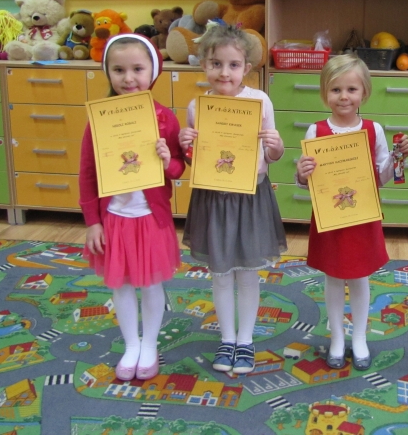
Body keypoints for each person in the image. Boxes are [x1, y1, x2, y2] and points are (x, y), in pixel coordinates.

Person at [179, 22, 287, 375]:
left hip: (250, 198)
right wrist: (186, 145)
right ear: (203, 65)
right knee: (221, 273)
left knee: (248, 274)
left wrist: (276, 146)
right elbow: (197, 161)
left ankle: (246, 340)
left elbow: (272, 156)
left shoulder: (261, 101)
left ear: (247, 68)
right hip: (214, 200)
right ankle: (227, 339)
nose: (224, 72)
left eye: (233, 65)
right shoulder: (198, 107)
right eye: (216, 64)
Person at [296, 54, 408, 371]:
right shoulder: (316, 130)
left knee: (360, 277)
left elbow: (382, 176)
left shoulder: (374, 130)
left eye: (351, 89)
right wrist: (302, 174)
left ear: (364, 92)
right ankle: (337, 338)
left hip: (362, 217)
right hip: (330, 219)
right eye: (335, 90)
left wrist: (398, 158)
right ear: (325, 92)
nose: (343, 97)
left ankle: (359, 338)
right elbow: (310, 182)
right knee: (334, 277)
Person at [80, 34, 186, 382]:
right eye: (119, 70)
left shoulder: (165, 118)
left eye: (138, 69)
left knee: (152, 284)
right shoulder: (99, 119)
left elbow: (178, 169)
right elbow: (87, 173)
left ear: (152, 71)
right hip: (114, 219)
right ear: (108, 72)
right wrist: (93, 222)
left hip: (151, 218)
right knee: (122, 285)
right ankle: (131, 345)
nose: (129, 78)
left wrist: (167, 160)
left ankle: (149, 344)